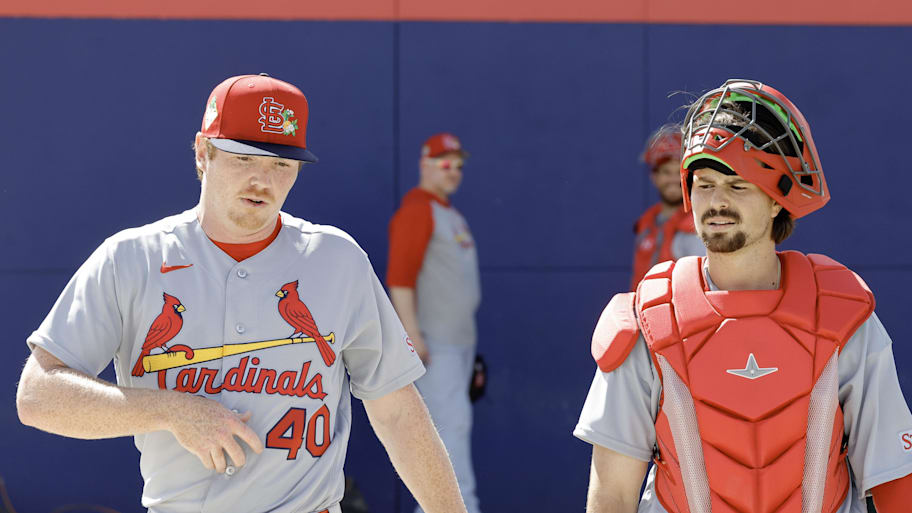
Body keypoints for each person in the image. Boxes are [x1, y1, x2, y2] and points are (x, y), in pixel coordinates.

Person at [16, 73, 467, 513]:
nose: (262, 180)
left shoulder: (337, 260)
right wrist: (172, 411)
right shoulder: (132, 258)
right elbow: (38, 396)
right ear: (203, 152)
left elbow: (398, 412)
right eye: (244, 158)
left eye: (282, 164)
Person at [574, 79, 912, 513]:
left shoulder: (841, 313)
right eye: (704, 184)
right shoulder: (648, 320)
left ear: (777, 200)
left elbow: (895, 479)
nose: (716, 201)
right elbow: (612, 494)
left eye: (738, 185)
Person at [386, 133, 482, 513]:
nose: (453, 171)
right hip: (434, 346)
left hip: (457, 346)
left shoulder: (448, 213)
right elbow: (400, 280)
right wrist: (413, 337)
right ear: (424, 165)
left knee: (453, 430)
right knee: (447, 433)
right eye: (444, 163)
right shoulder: (417, 210)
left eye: (458, 165)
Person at [630, 125, 704, 290]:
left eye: (678, 172)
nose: (673, 179)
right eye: (666, 172)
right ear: (654, 177)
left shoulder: (698, 226)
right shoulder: (647, 223)